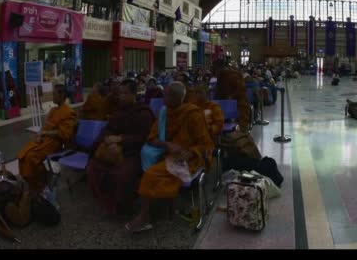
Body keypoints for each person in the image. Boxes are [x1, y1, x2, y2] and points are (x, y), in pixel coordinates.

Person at [125, 82, 213, 232]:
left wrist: (190, 152)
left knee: (150, 175)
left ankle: (145, 218)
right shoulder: (164, 112)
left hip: (190, 158)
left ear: (177, 98)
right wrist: (167, 145)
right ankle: (161, 206)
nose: (163, 98)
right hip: (167, 154)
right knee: (148, 171)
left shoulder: (193, 114)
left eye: (166, 95)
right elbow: (151, 138)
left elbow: (205, 144)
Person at [86, 79, 154, 216]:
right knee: (92, 168)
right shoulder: (119, 112)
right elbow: (108, 129)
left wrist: (121, 139)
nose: (121, 96)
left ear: (134, 94)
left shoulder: (143, 112)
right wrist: (107, 140)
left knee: (123, 176)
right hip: (112, 150)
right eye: (120, 93)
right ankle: (106, 203)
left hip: (133, 153)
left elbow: (144, 138)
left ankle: (121, 208)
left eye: (125, 93)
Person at [17, 84, 76, 194]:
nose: (52, 97)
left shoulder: (68, 112)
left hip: (54, 143)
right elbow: (46, 127)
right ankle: (36, 183)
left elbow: (65, 134)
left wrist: (45, 133)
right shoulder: (53, 110)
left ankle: (39, 186)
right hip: (43, 140)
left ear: (62, 95)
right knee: (23, 155)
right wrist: (40, 134)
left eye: (54, 94)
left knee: (30, 157)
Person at [186, 85, 223, 167]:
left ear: (207, 94)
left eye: (200, 92)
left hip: (207, 138)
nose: (198, 95)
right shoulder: (190, 107)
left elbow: (219, 124)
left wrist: (209, 129)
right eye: (196, 93)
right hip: (190, 138)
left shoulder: (213, 107)